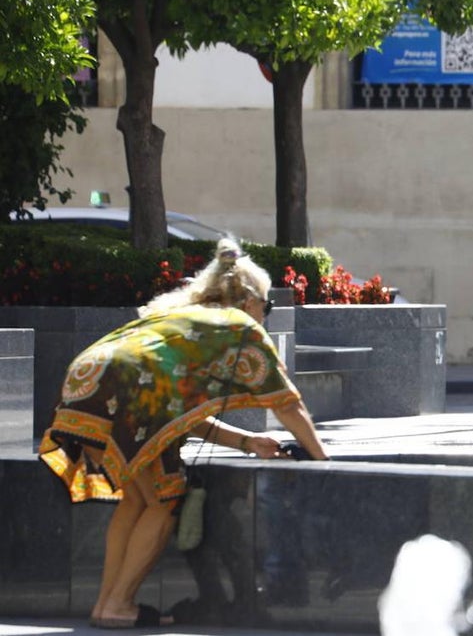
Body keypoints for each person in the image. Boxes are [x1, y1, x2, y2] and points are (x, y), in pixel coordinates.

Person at [38, 238, 329, 629]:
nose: (267, 314)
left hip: (86, 382)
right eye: (268, 305)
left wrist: (247, 442)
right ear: (248, 300)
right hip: (130, 393)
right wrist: (323, 461)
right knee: (164, 497)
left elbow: (178, 415)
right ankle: (119, 604)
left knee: (136, 500)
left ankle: (106, 604)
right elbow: (287, 404)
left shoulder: (184, 318)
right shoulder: (238, 325)